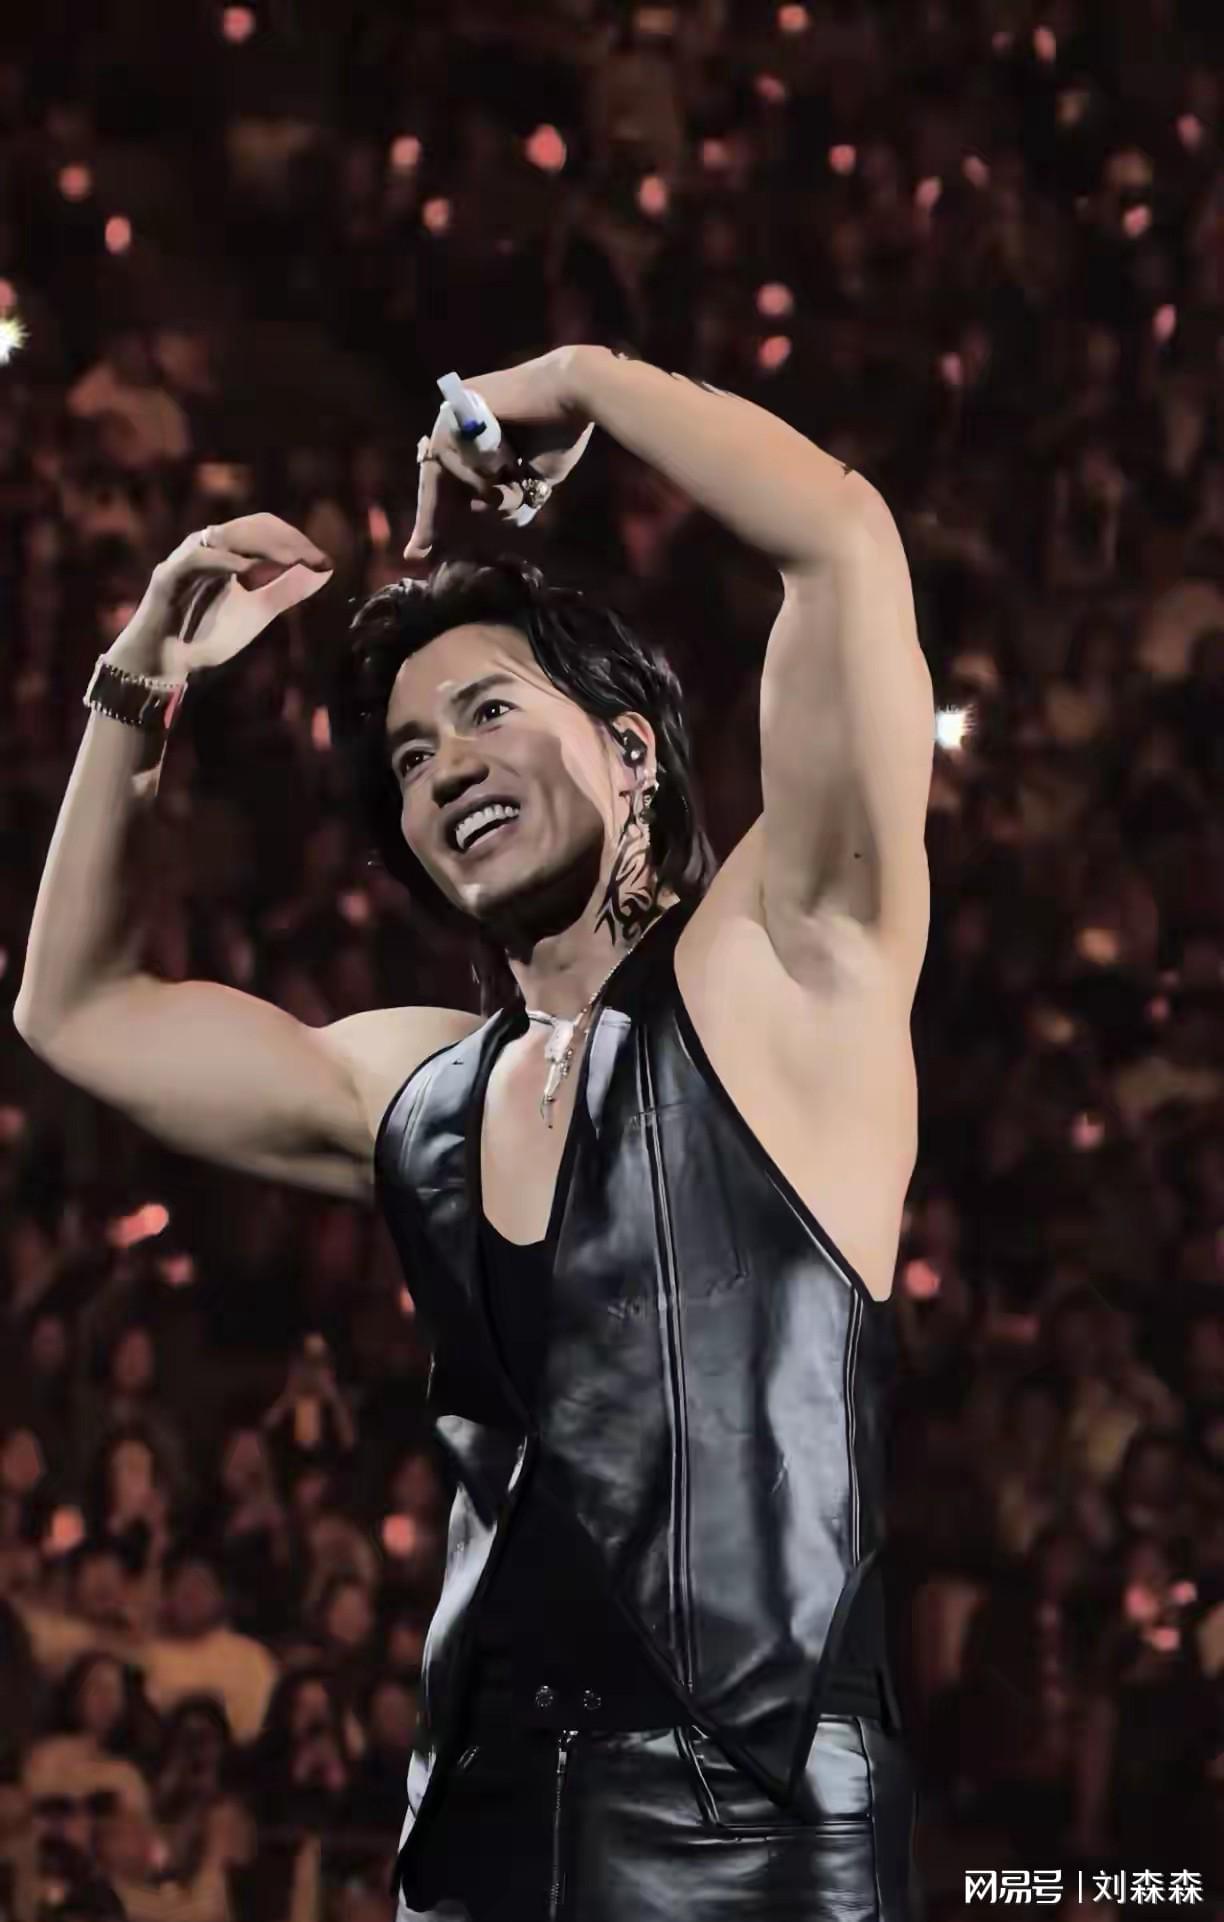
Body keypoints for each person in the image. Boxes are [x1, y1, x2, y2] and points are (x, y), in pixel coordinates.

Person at [14, 342, 934, 1918]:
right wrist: (140, 674)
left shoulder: (787, 967)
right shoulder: (422, 1089)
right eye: (412, 756)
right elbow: (76, 1007)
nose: (446, 768)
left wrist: (575, 379)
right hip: (476, 1848)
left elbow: (841, 540)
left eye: (489, 710)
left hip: (755, 1849)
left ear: (629, 751)